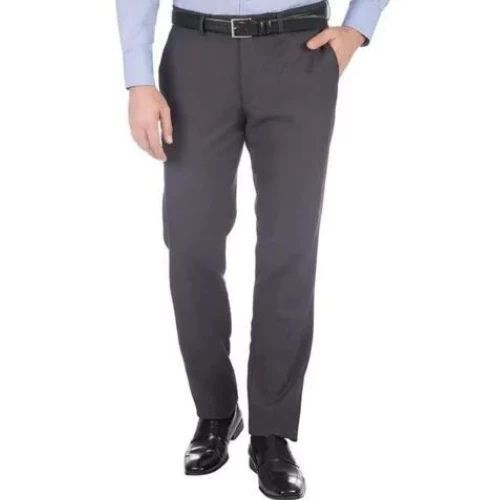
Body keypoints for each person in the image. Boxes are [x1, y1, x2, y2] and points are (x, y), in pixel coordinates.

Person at [116, 1, 388, 498]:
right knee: (190, 240)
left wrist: (357, 29)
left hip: (298, 50)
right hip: (196, 54)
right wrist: (138, 79)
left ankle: (272, 431)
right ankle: (216, 411)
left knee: (290, 244)